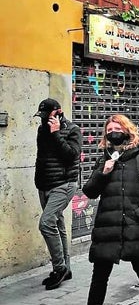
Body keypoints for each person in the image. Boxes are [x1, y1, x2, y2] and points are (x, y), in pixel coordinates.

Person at [57, 114, 139, 305]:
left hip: (134, 225)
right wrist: (103, 172)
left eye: (118, 127)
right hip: (109, 226)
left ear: (128, 130)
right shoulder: (105, 158)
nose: (113, 131)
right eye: (110, 129)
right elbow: (90, 192)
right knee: (99, 277)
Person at [34, 98, 82, 290]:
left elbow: (71, 155)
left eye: (48, 116)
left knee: (46, 223)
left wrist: (56, 134)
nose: (44, 120)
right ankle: (66, 268)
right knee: (57, 223)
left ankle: (59, 268)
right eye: (42, 117)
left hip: (64, 184)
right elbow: (43, 155)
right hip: (44, 184)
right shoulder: (42, 129)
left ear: (59, 112)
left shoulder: (73, 129)